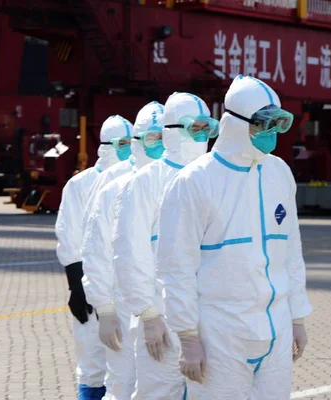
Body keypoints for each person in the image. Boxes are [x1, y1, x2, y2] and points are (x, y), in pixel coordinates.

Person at [156, 75, 312, 399]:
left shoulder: (279, 172)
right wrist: (187, 336)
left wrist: (297, 316)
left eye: (276, 125)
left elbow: (291, 252)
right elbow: (176, 267)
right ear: (236, 124)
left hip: (275, 329)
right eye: (263, 125)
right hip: (221, 334)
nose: (270, 135)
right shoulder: (195, 182)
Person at [113, 92, 215, 399]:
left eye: (205, 128)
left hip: (214, 320)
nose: (200, 136)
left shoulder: (216, 176)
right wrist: (148, 314)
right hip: (164, 322)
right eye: (193, 128)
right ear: (172, 130)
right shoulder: (144, 182)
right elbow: (129, 252)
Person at [81, 102, 164, 400]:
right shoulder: (114, 183)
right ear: (137, 140)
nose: (159, 146)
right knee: (122, 384)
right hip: (123, 302)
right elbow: (96, 249)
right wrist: (104, 309)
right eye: (152, 138)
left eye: (163, 137)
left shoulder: (178, 178)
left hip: (164, 305)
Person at [54, 115, 131, 400]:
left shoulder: (139, 178)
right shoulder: (81, 185)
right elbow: (69, 237)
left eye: (129, 143)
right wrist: (77, 288)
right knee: (92, 364)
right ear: (105, 146)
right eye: (121, 144)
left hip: (125, 291)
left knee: (126, 365)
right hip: (90, 288)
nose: (127, 149)